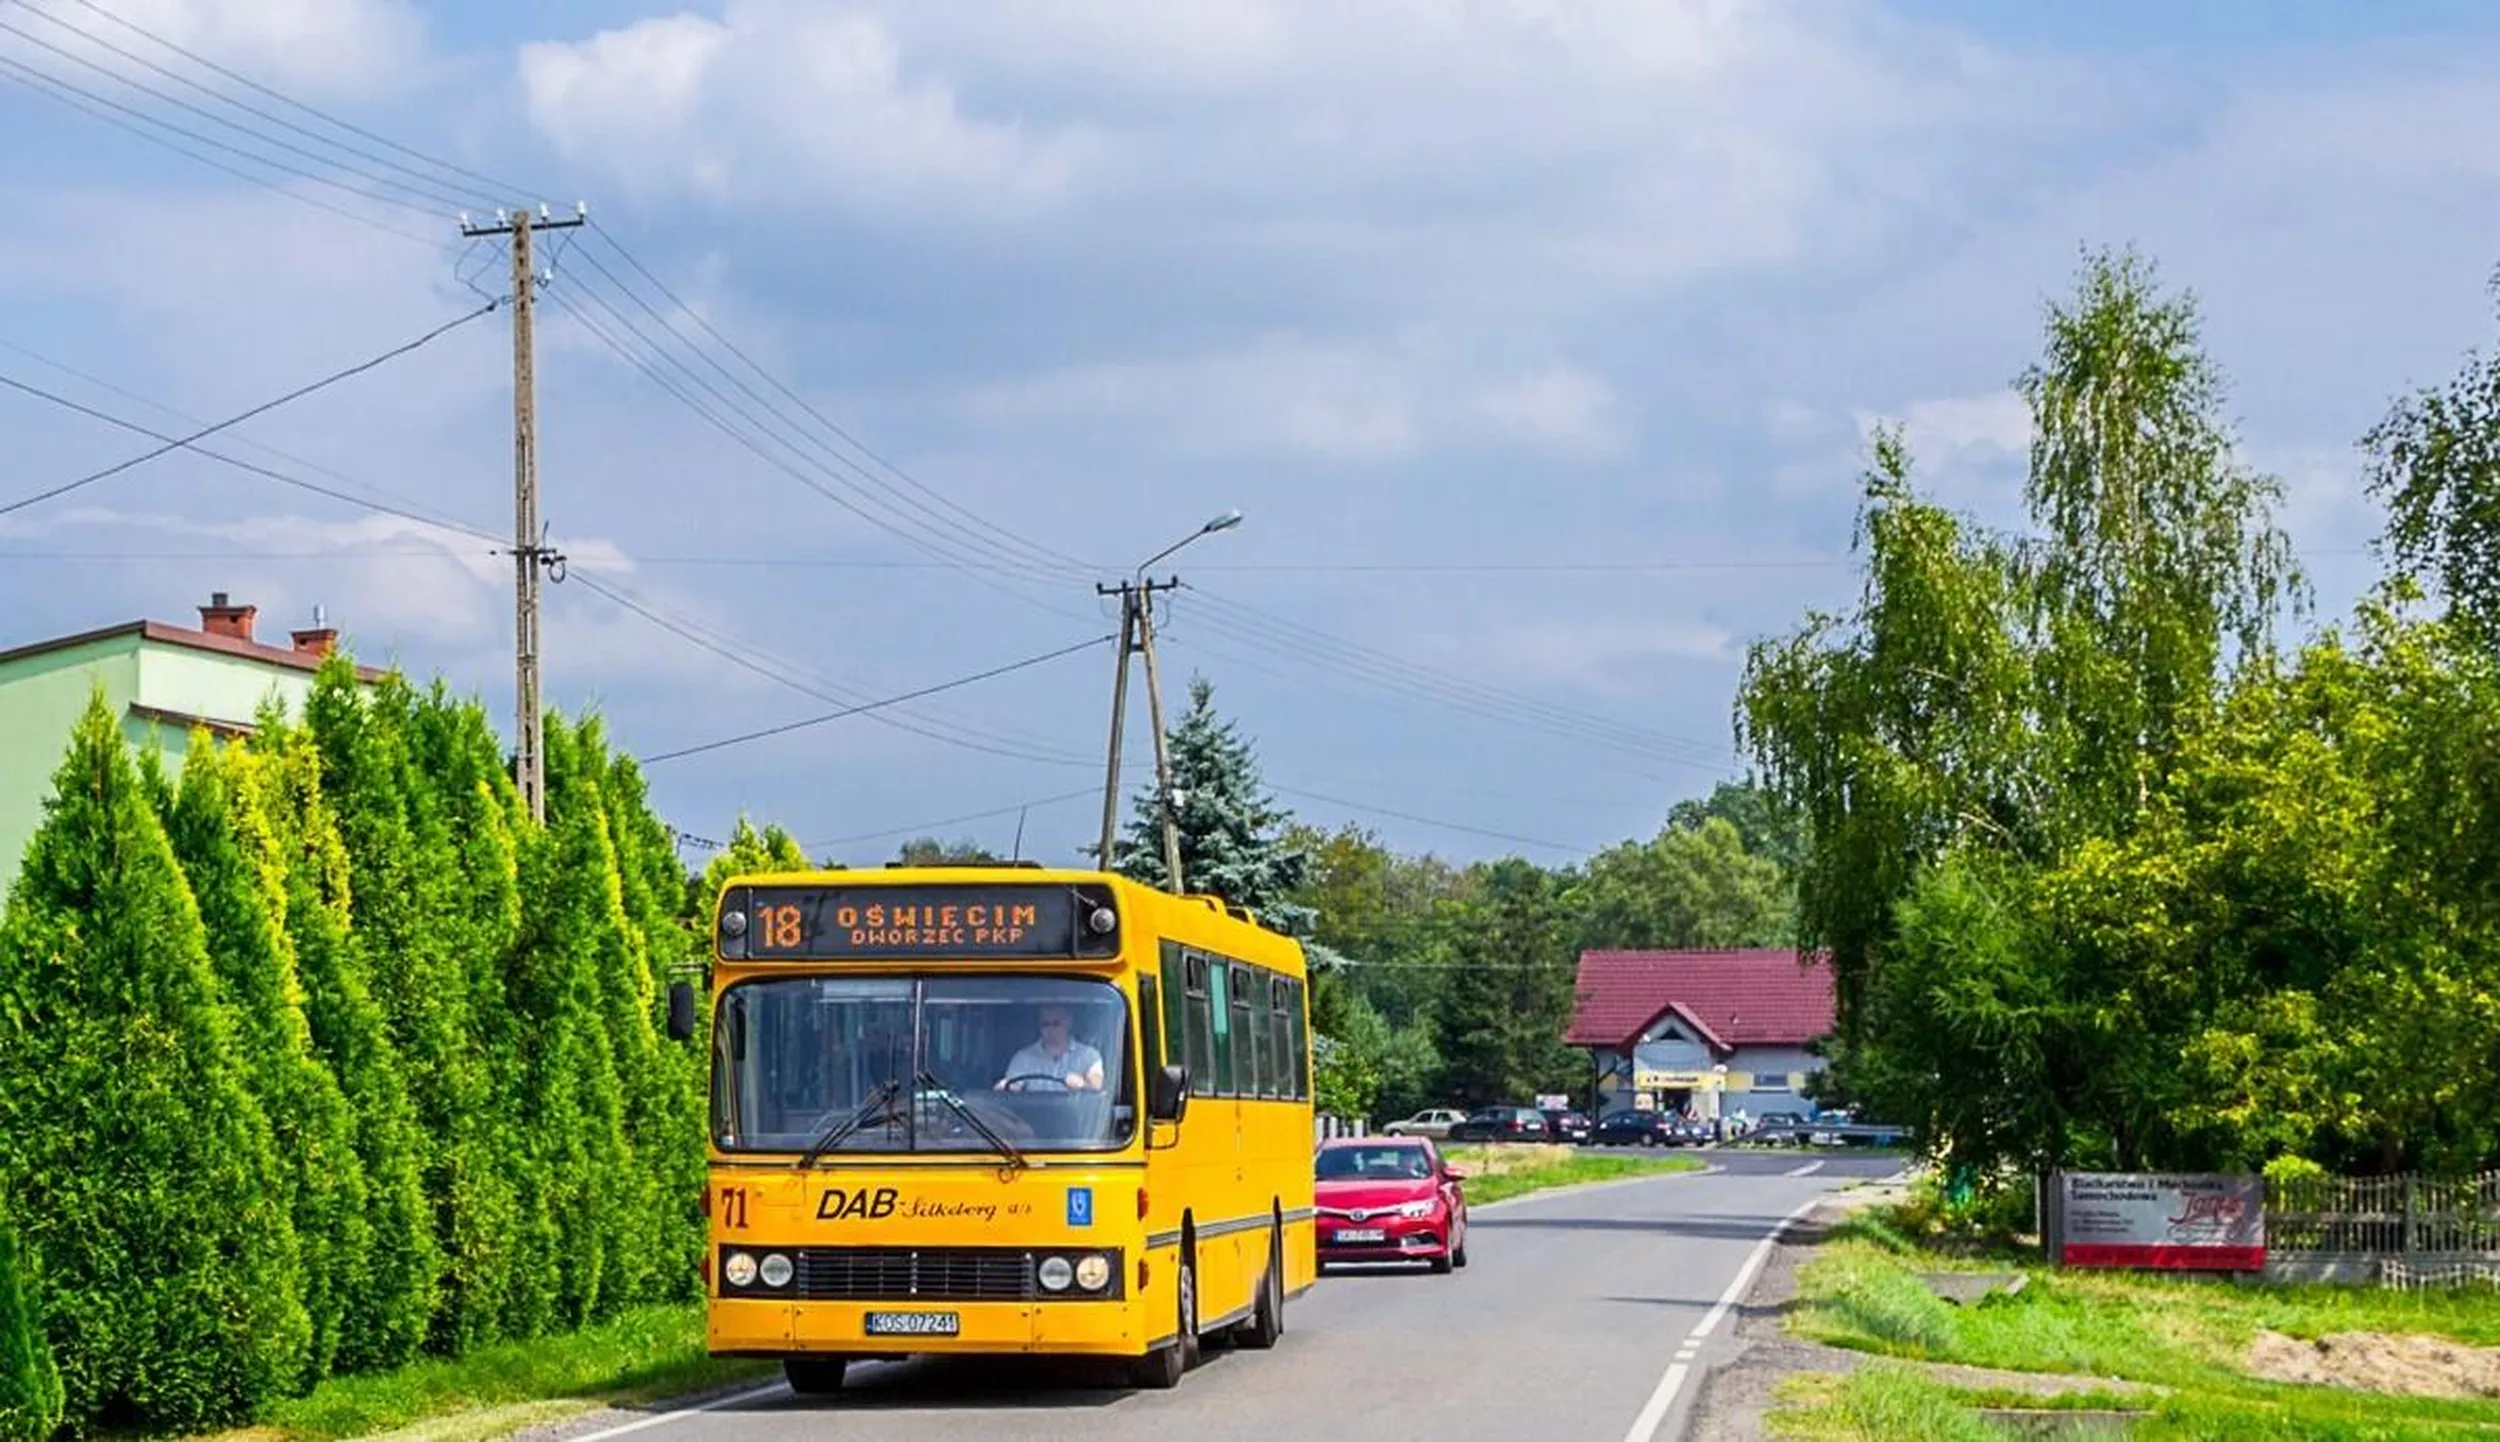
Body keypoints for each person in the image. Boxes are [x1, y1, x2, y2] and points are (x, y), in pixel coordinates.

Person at [995, 1003, 1105, 1091]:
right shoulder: (1023, 1058)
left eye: (1056, 1023)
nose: (1050, 1029)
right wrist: (1003, 1088)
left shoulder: (1089, 1055)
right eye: (1045, 1024)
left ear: (1069, 1022)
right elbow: (1010, 1088)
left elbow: (1098, 1087)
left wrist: (1082, 1085)